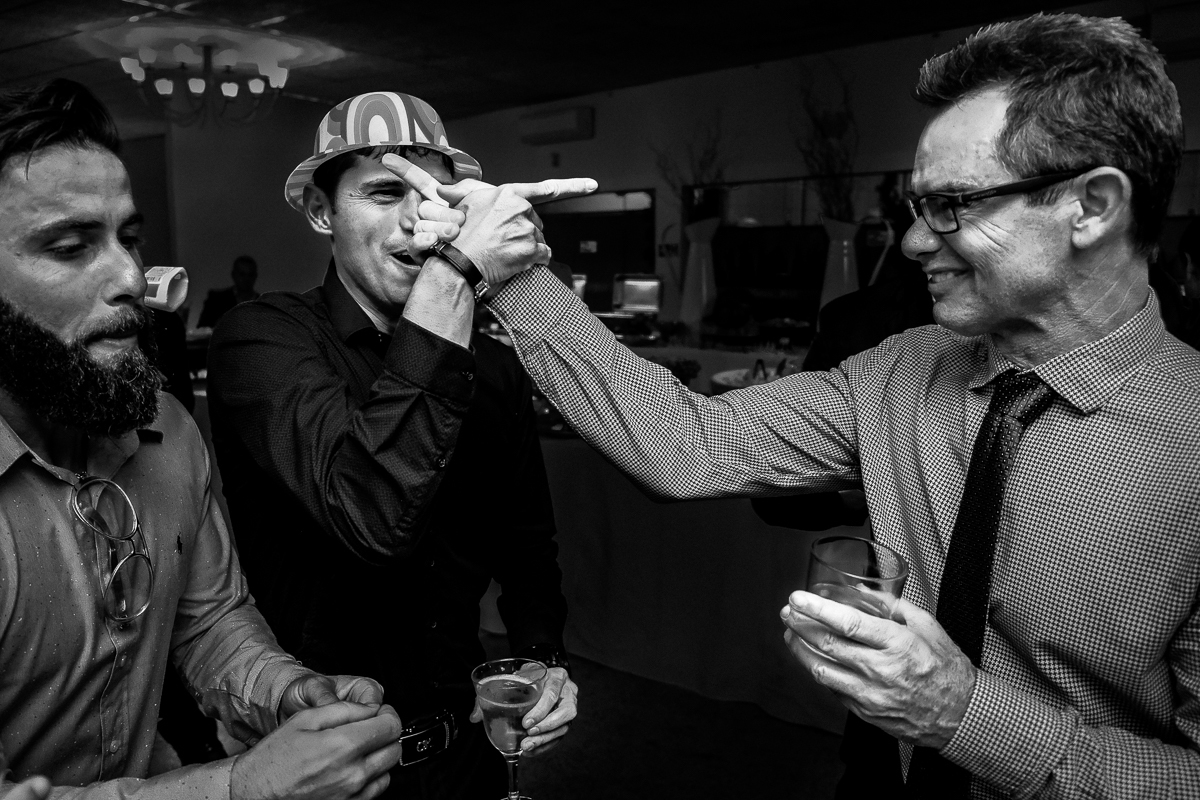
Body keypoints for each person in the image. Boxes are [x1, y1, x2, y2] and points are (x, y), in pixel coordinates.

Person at [403, 12, 1200, 797]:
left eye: (953, 205)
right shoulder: (904, 368)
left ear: (1092, 206)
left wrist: (966, 716)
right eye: (915, 209)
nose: (915, 243)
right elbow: (688, 443)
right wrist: (511, 271)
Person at [0, 78, 404, 798]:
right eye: (69, 247)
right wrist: (242, 788)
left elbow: (210, 621)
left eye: (130, 239)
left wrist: (285, 693)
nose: (132, 277)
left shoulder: (169, 430)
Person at [206, 91, 590, 800]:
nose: (418, 218)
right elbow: (371, 513)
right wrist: (453, 278)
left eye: (436, 195)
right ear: (322, 212)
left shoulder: (492, 366)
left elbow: (529, 546)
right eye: (384, 193)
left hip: (464, 751)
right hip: (322, 765)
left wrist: (541, 656)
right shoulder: (263, 338)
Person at [197, 255, 259, 328]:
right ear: (234, 275)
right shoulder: (216, 300)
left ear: (255, 276)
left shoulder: (263, 303)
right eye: (242, 274)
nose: (246, 279)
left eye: (250, 275)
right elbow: (203, 328)